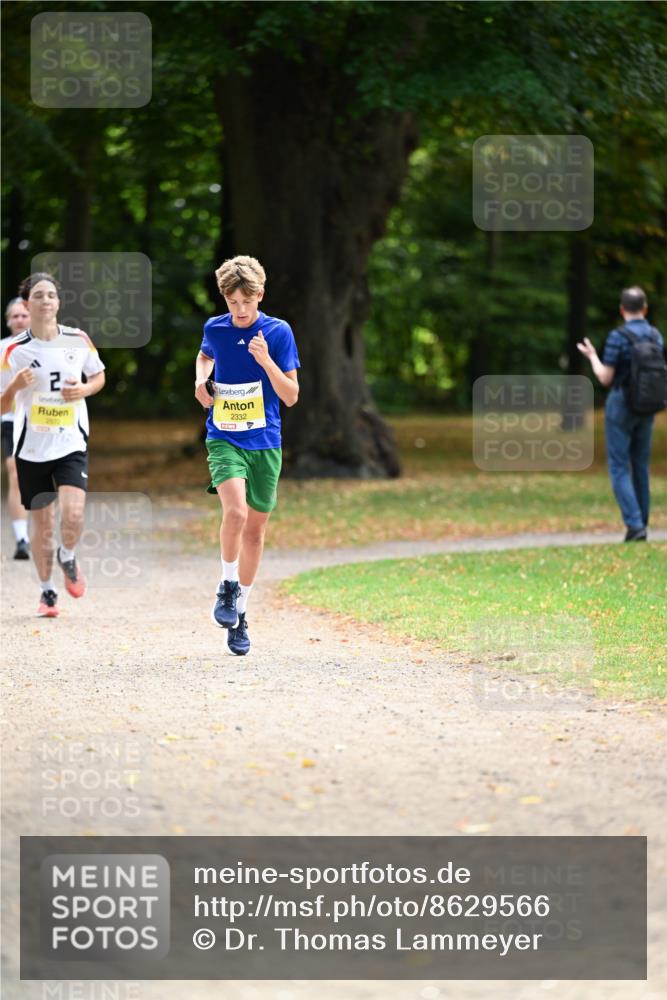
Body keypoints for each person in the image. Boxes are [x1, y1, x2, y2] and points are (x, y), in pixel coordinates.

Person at [194, 255, 300, 655]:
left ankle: (240, 614)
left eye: (246, 302)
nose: (239, 311)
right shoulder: (215, 328)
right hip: (224, 436)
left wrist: (265, 360)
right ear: (224, 298)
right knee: (235, 513)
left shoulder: (277, 332)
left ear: (260, 296)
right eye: (232, 302)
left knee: (255, 531)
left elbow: (291, 395)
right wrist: (202, 379)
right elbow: (206, 354)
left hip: (266, 442)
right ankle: (227, 584)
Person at [0, 273, 106, 616]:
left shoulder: (78, 340)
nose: (46, 301)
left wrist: (84, 390)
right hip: (31, 447)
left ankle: (69, 555)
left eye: (51, 295)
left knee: (74, 512)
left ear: (58, 303)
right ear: (27, 304)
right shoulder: (11, 351)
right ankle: (47, 591)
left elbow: (99, 375)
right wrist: (15, 387)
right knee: (43, 524)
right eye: (39, 296)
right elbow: (2, 405)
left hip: (71, 441)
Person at [577, 285, 664, 541]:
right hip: (647, 406)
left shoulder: (618, 336)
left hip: (621, 404)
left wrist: (592, 356)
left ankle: (635, 525)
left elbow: (605, 377)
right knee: (640, 465)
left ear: (622, 309)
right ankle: (642, 522)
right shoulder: (655, 336)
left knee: (618, 466)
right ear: (645, 309)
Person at [1, 298, 31, 558]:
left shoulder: (47, 346)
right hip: (11, 419)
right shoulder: (1, 350)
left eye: (24, 315)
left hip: (45, 420)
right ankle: (22, 538)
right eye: (15, 316)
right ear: (8, 321)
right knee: (15, 470)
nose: (20, 320)